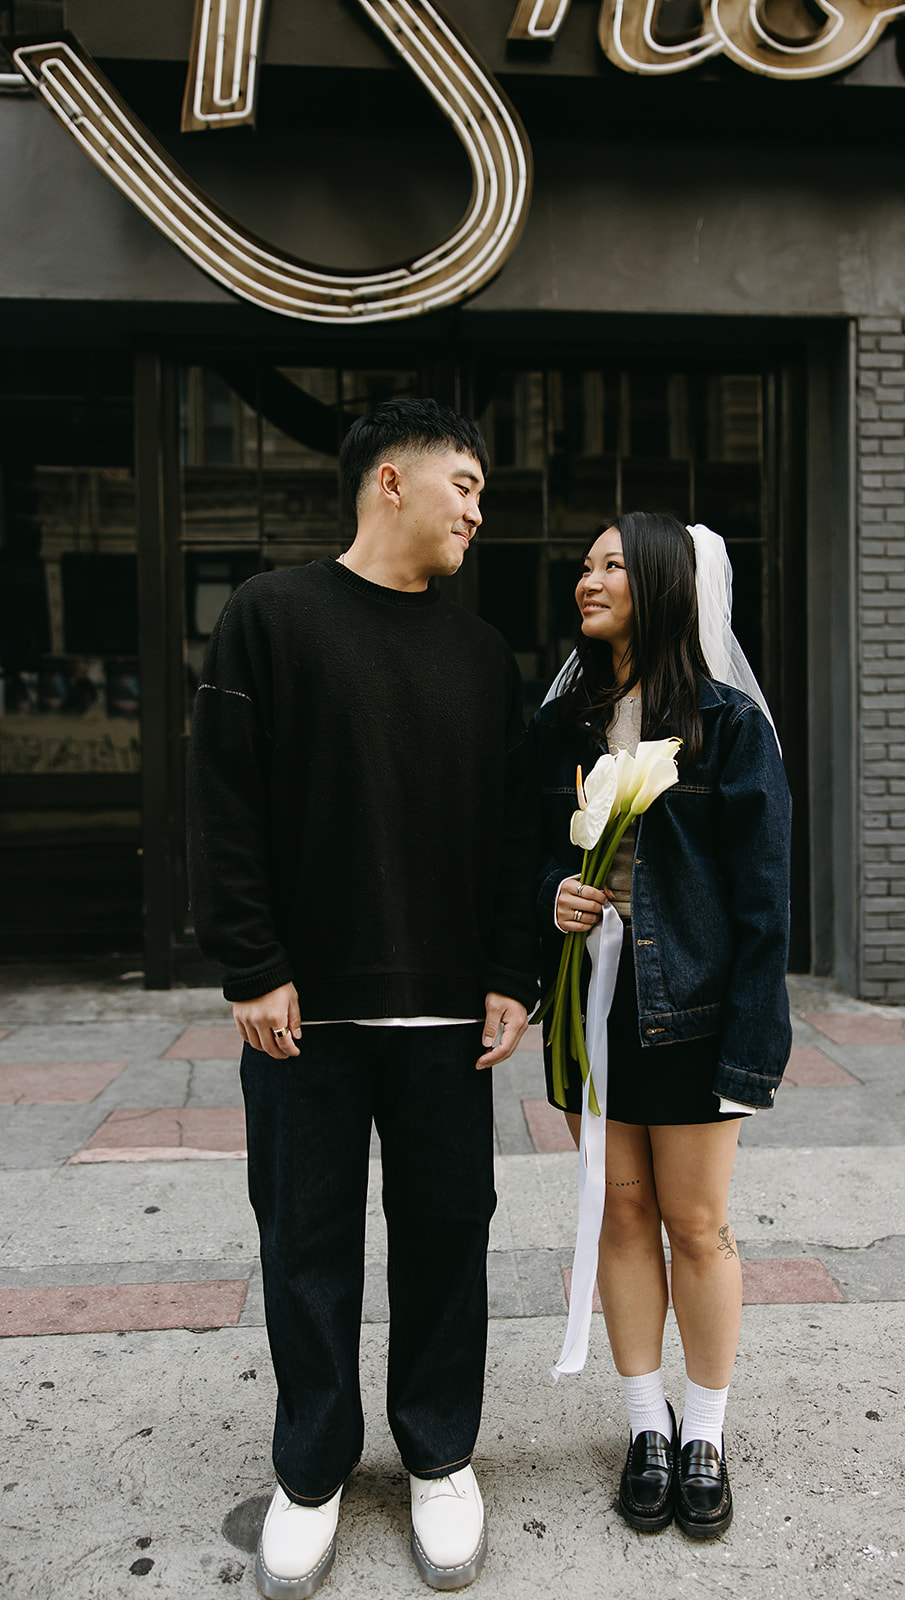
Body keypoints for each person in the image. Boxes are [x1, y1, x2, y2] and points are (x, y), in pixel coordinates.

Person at [187, 398, 539, 1597]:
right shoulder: (268, 619)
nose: (477, 514)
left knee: (448, 1236)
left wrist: (509, 973)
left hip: (449, 1016)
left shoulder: (482, 656)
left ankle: (439, 1450)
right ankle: (312, 1467)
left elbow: (514, 837)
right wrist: (250, 961)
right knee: (306, 1246)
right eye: (467, 487)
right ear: (391, 481)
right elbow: (224, 806)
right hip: (305, 1013)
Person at [526, 511, 791, 1541]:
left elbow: (764, 902)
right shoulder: (561, 724)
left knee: (696, 1224)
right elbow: (522, 850)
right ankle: (644, 1423)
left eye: (607, 565)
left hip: (693, 1011)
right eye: (584, 565)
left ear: (662, 584)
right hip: (595, 1010)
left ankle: (704, 1433)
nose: (583, 579)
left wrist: (748, 1045)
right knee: (620, 1217)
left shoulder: (726, 727)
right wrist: (552, 891)